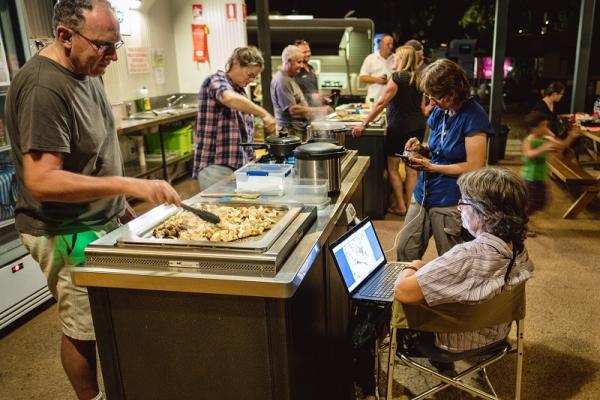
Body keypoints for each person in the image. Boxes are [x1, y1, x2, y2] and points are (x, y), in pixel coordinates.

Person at [4, 1, 181, 399]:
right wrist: (130, 185)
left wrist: (117, 203)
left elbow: (93, 155)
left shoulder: (87, 70)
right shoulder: (43, 88)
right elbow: (42, 180)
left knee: (111, 314)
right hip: (67, 230)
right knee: (83, 327)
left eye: (117, 44)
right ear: (65, 36)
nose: (113, 56)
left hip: (99, 218)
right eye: (104, 45)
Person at [394, 166, 533, 355]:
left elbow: (403, 291)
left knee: (379, 304)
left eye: (464, 202)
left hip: (451, 339)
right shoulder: (518, 250)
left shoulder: (467, 256)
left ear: (485, 213)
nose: (459, 207)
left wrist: (414, 265)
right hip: (496, 334)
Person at [397, 58, 493, 262]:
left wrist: (432, 167)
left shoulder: (474, 116)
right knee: (405, 249)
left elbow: (475, 166)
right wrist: (420, 148)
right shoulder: (441, 111)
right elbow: (435, 147)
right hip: (424, 191)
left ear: (450, 95)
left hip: (451, 198)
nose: (431, 101)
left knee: (453, 261)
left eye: (434, 96)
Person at [352, 46, 426, 216]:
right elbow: (422, 108)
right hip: (418, 127)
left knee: (393, 168)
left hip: (399, 128)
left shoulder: (397, 77)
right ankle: (411, 208)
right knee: (411, 169)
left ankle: (400, 206)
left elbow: (381, 103)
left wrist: (364, 122)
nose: (394, 60)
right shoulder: (418, 79)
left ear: (402, 59)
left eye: (396, 58)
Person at [193, 46, 277, 190]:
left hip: (237, 166)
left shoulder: (239, 91)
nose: (251, 80)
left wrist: (252, 161)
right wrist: (264, 114)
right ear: (237, 63)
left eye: (254, 77)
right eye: (250, 74)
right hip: (216, 167)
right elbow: (227, 97)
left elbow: (244, 134)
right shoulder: (215, 80)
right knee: (216, 211)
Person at [521, 111, 579, 235]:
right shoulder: (529, 140)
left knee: (542, 202)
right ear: (533, 128)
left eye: (546, 125)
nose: (545, 128)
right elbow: (529, 154)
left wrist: (571, 136)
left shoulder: (545, 138)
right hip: (531, 178)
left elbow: (561, 146)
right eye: (542, 126)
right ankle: (521, 225)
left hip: (541, 177)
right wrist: (543, 148)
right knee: (531, 204)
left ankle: (521, 221)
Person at [271, 45, 331, 141]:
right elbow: (293, 110)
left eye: (302, 62)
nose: (302, 65)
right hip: (291, 132)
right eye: (299, 62)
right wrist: (320, 110)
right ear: (288, 61)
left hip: (298, 130)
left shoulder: (289, 78)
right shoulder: (282, 81)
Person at [359, 34, 395, 103]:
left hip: (392, 101)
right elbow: (362, 78)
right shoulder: (371, 58)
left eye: (392, 44)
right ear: (381, 44)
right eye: (388, 44)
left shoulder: (396, 58)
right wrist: (377, 80)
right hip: (374, 100)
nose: (391, 46)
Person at [293, 39, 324, 107]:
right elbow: (294, 96)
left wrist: (320, 97)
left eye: (309, 51)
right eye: (304, 52)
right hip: (304, 111)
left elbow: (314, 89)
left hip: (316, 110)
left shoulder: (311, 68)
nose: (308, 54)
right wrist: (311, 96)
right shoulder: (294, 71)